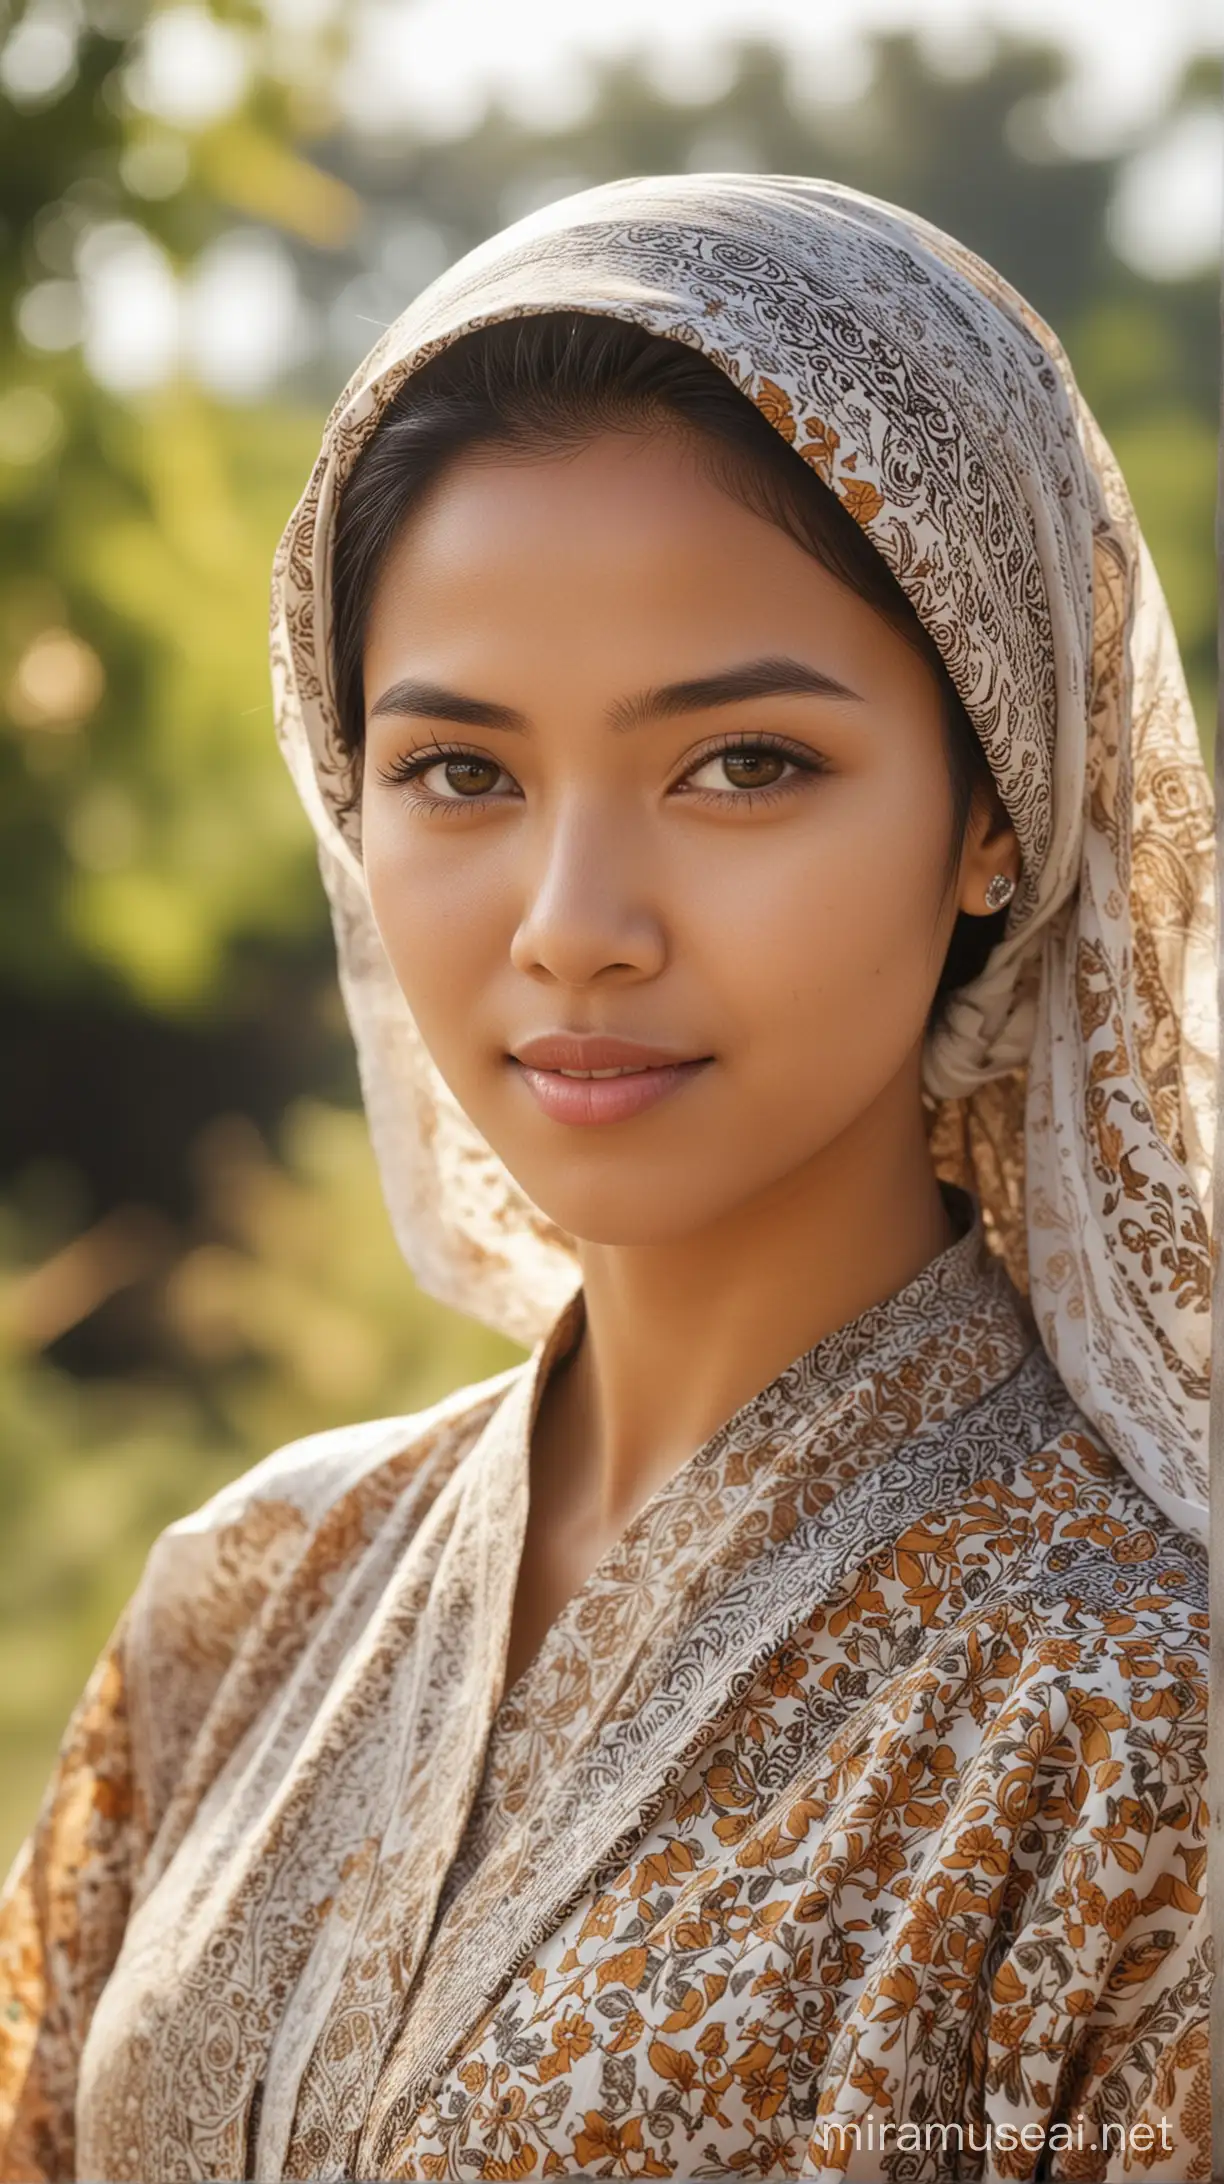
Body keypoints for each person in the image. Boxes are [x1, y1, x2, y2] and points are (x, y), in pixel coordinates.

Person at [0, 175, 1214, 2183]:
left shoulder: (1148, 1729)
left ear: (998, 806)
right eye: (460, 774)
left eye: (742, 764)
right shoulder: (250, 1596)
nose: (573, 927)